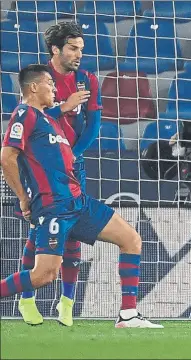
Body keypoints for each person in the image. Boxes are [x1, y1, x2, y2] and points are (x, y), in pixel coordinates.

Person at [0, 64, 162, 329]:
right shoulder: (24, 113)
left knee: (131, 239)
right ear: (33, 87)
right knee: (44, 275)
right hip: (55, 207)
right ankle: (29, 300)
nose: (54, 88)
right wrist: (23, 197)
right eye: (49, 83)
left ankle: (128, 314)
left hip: (79, 203)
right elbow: (7, 158)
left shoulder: (48, 120)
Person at [13, 21, 101, 327]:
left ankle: (66, 302)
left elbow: (93, 127)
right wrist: (63, 107)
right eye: (73, 48)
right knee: (40, 231)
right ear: (56, 49)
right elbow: (32, 119)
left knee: (74, 229)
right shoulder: (39, 79)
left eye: (81, 48)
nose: (79, 54)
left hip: (73, 164)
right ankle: (26, 300)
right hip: (41, 165)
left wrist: (73, 156)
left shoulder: (87, 79)